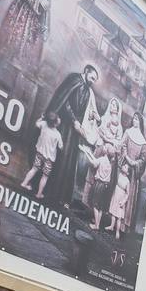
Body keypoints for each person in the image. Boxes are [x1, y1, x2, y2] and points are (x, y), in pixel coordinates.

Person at [40, 65, 99, 208]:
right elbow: (64, 101)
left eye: (95, 80)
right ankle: (48, 191)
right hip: (64, 125)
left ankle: (61, 196)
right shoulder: (74, 79)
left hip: (75, 131)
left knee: (69, 162)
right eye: (92, 77)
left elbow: (85, 109)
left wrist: (88, 118)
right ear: (85, 72)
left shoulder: (88, 89)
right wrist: (74, 121)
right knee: (58, 157)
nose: (92, 81)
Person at [21, 113, 63, 198]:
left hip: (39, 153)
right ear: (55, 123)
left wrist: (41, 118)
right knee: (45, 176)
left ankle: (24, 183)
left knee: (34, 169)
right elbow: (61, 147)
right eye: (58, 118)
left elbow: (36, 123)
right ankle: (39, 194)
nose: (59, 119)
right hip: (49, 159)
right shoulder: (57, 135)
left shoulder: (43, 124)